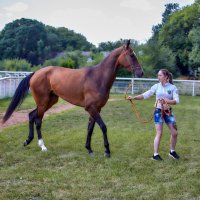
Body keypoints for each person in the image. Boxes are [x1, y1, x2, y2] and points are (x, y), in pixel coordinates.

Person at [127, 69, 180, 161]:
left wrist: (167, 101)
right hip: (158, 111)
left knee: (174, 133)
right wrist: (134, 97)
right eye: (158, 75)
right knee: (159, 133)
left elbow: (176, 101)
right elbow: (146, 95)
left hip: (168, 112)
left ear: (166, 77)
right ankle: (155, 155)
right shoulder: (156, 86)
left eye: (160, 75)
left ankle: (172, 151)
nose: (158, 77)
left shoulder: (173, 88)